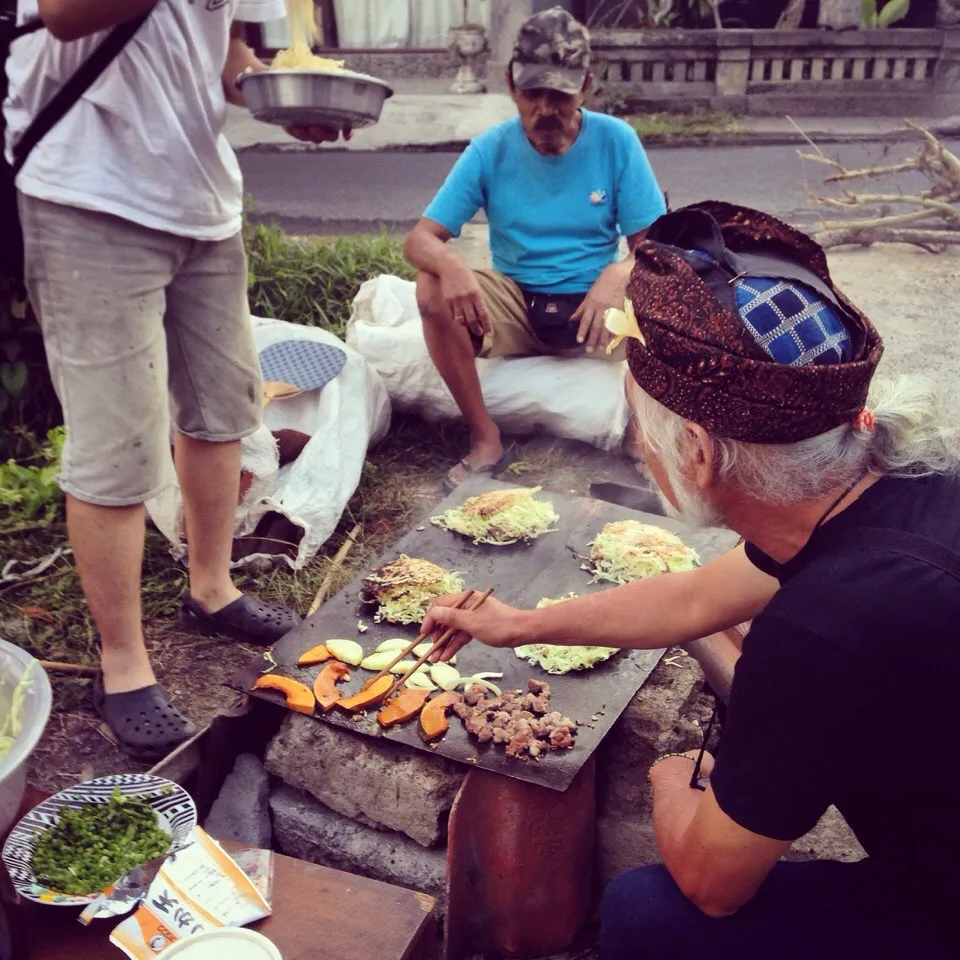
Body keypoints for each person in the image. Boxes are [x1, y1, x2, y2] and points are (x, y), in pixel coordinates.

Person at [423, 201, 960, 959]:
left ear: (699, 452)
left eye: (642, 427)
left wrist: (672, 780)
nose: (641, 447)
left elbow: (713, 879)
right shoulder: (887, 490)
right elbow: (698, 596)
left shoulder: (822, 629)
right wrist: (516, 624)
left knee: (649, 912)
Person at [4, 0, 347, 762]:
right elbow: (61, 15)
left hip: (204, 204)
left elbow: (225, 52)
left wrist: (281, 96)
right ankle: (122, 664)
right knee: (117, 446)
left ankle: (212, 587)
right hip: (86, 196)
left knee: (223, 409)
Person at [403, 6, 666, 491]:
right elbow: (420, 239)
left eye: (559, 95)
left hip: (594, 310)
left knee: (672, 291)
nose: (544, 109)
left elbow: (656, 247)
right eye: (532, 93)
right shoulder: (490, 148)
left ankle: (640, 436)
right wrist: (450, 263)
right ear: (510, 84)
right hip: (516, 306)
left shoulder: (616, 141)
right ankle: (485, 439)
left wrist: (617, 274)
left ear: (585, 86)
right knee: (429, 286)